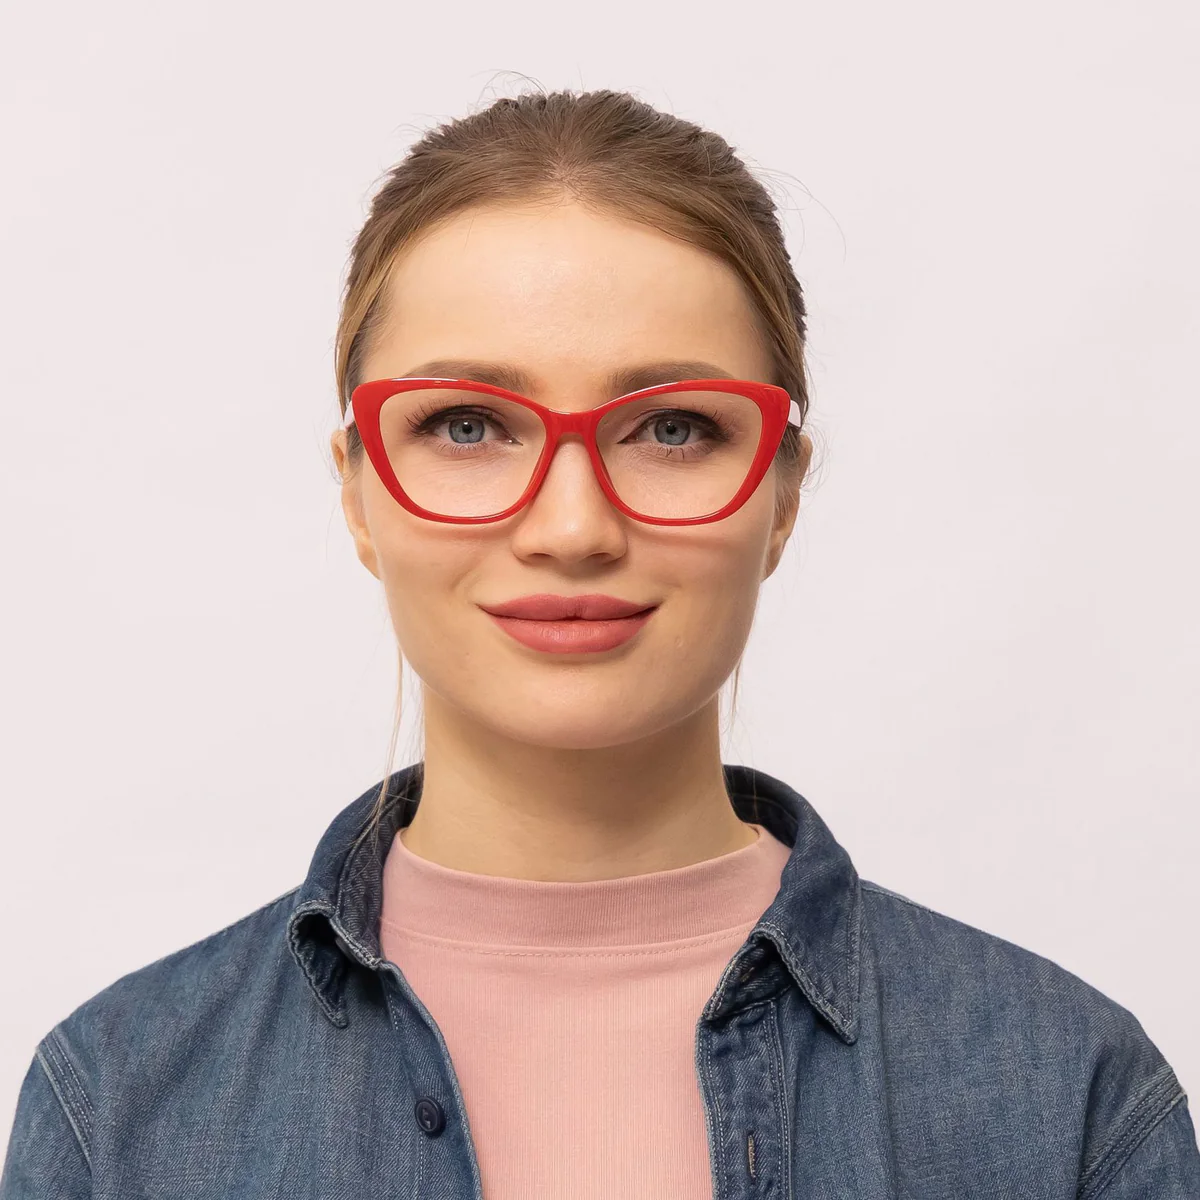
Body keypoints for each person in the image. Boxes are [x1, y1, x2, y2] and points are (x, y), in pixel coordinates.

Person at [3, 87, 1197, 1198]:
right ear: (360, 491)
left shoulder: (1074, 1101)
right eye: (466, 424)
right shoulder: (114, 1112)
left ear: (780, 495)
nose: (572, 527)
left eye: (673, 428)